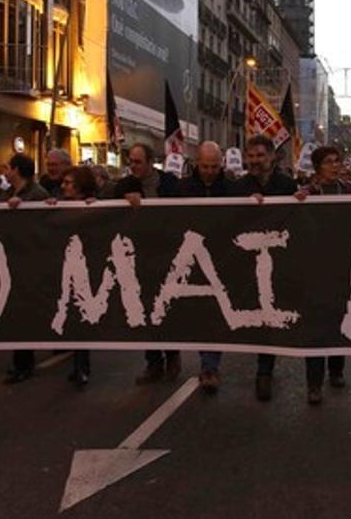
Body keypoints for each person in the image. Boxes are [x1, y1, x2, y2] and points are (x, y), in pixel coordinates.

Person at [234, 135, 299, 401]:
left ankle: (264, 370)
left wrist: (298, 201)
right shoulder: (238, 187)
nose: (255, 161)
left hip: (276, 262)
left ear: (272, 157)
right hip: (245, 261)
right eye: (251, 156)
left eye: (260, 156)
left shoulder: (286, 184)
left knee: (268, 312)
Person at [294, 145, 351, 405]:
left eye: (336, 161)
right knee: (316, 326)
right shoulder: (308, 193)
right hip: (315, 269)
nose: (334, 165)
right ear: (318, 167)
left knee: (339, 319)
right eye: (328, 162)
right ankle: (314, 383)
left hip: (343, 267)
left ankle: (336, 369)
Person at [116, 143, 183, 385]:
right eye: (130, 162)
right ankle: (153, 362)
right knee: (145, 309)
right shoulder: (124, 186)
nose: (133, 166)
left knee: (166, 307)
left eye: (138, 162)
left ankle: (172, 353)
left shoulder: (170, 183)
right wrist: (122, 199)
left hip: (166, 254)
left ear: (151, 161)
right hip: (139, 256)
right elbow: (102, 203)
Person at [173, 142, 235, 394]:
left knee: (214, 313)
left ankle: (210, 366)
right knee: (197, 313)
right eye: (205, 166)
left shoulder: (233, 190)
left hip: (220, 260)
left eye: (214, 166)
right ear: (196, 163)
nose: (209, 171)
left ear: (221, 164)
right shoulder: (181, 189)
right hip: (190, 259)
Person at [1, 153, 52, 384]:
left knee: (25, 311)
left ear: (17, 170)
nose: (5, 172)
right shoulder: (7, 193)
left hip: (30, 259)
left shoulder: (37, 194)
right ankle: (20, 360)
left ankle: (24, 362)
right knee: (16, 311)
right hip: (12, 258)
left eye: (8, 168)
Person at [50, 165, 101, 387]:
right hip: (62, 268)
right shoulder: (58, 204)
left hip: (85, 269)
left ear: (80, 186)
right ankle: (79, 366)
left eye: (68, 183)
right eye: (64, 182)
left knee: (80, 316)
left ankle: (82, 367)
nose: (63, 186)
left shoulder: (95, 206)